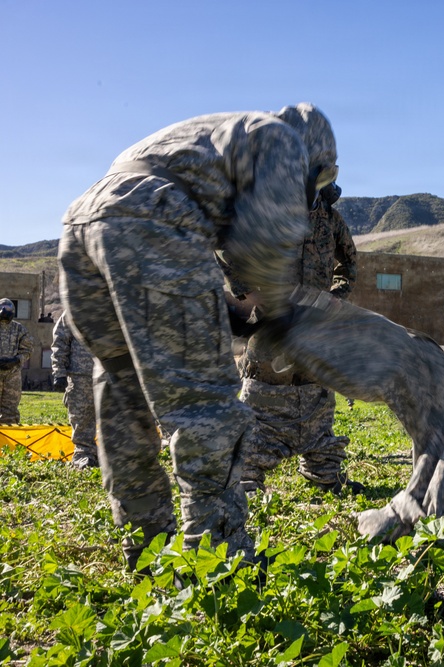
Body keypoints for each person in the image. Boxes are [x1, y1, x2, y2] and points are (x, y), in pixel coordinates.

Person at [57, 102, 338, 570]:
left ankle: (146, 552)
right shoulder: (282, 139)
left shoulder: (211, 135)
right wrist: (271, 312)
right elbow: (273, 236)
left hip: (84, 221)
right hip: (155, 219)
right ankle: (220, 560)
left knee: (122, 391)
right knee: (204, 405)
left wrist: (224, 304)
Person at [238, 182, 362, 495]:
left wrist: (336, 296)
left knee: (317, 393)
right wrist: (248, 291)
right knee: (260, 394)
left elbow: (349, 262)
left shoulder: (330, 218)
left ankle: (323, 472)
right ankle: (246, 474)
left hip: (315, 325)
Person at [51, 312, 99, 469]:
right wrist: (59, 373)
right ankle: (84, 454)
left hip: (111, 373)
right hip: (80, 376)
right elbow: (60, 342)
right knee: (82, 418)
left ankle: (112, 456)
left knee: (115, 417)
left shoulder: (115, 305)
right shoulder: (73, 310)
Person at [0, 298, 33, 423]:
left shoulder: (20, 329)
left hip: (12, 375)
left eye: (8, 310)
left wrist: (15, 360)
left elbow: (28, 350)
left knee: (10, 411)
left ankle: (10, 440)